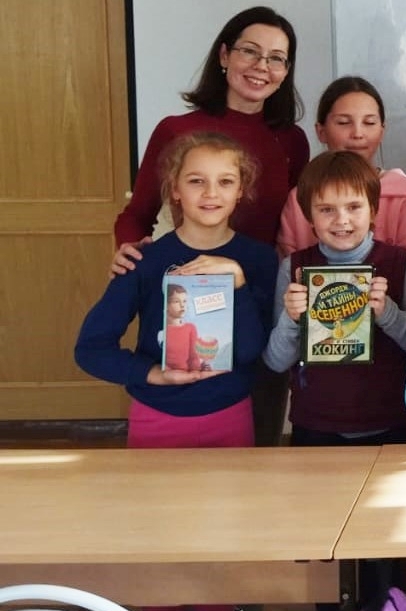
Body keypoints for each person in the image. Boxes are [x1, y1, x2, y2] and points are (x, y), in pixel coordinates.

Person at [76, 132, 277, 448]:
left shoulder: (260, 259)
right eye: (196, 181)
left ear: (241, 190)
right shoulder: (143, 260)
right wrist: (153, 373)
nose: (211, 193)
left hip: (231, 415)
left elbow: (251, 351)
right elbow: (90, 349)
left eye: (225, 181)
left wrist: (237, 282)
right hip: (155, 416)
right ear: (175, 189)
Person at [113, 6, 309, 265]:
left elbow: (297, 225)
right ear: (224, 55)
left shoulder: (293, 140)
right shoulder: (175, 130)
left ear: (285, 71)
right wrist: (130, 253)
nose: (262, 66)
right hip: (188, 278)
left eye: (276, 58)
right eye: (249, 51)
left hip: (263, 280)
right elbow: (137, 216)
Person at [265, 150, 406, 446]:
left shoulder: (402, 264)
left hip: (390, 422)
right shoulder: (294, 268)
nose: (342, 220)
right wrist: (292, 319)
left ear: (373, 210)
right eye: (326, 209)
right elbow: (276, 362)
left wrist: (389, 315)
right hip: (314, 424)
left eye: (354, 207)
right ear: (308, 215)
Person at [277, 77, 406, 256]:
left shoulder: (403, 197)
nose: (358, 134)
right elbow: (288, 264)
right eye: (344, 122)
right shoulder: (299, 198)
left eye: (369, 123)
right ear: (321, 131)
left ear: (382, 131)